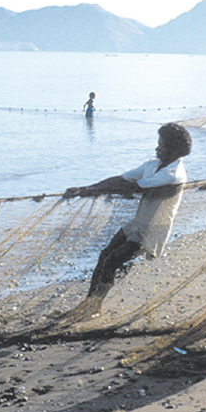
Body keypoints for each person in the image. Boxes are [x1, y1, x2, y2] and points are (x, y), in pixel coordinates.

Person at [61, 123, 192, 322]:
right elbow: (121, 178)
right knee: (105, 255)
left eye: (162, 145)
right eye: (158, 144)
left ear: (173, 150)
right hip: (137, 224)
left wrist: (89, 192)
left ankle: (95, 307)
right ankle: (89, 303)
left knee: (112, 261)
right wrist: (87, 187)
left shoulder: (172, 175)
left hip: (153, 230)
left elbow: (131, 186)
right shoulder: (153, 164)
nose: (157, 149)